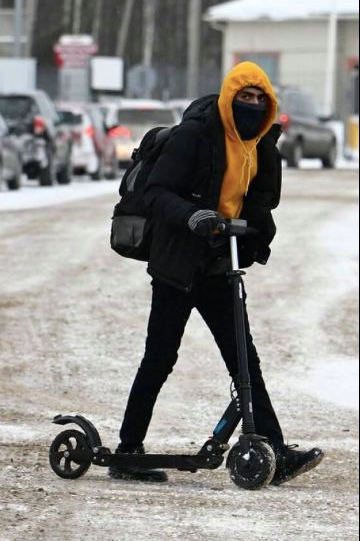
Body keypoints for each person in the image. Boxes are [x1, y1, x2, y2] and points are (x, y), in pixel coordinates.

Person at [112, 61, 323, 485]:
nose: (252, 104)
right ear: (230, 98)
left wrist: (258, 234)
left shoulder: (262, 145)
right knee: (160, 358)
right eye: (245, 97)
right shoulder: (196, 135)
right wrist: (192, 216)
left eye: (260, 98)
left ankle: (273, 451)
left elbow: (261, 203)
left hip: (219, 264)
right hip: (177, 263)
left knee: (245, 361)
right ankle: (127, 451)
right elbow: (156, 192)